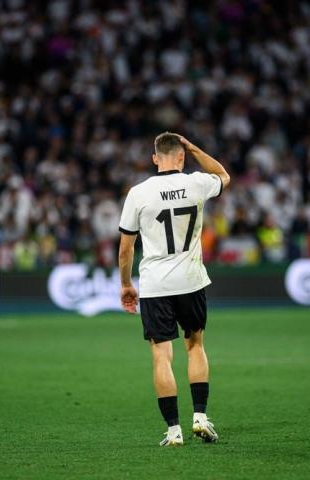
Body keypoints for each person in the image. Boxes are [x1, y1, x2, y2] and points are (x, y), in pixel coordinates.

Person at [117, 132, 231, 446]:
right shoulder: (197, 183)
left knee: (161, 356)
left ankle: (173, 431)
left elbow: (126, 249)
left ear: (155, 158)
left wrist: (126, 284)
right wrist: (195, 148)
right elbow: (224, 175)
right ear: (181, 156)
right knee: (195, 346)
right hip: (191, 280)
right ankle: (200, 418)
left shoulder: (138, 193)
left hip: (155, 284)